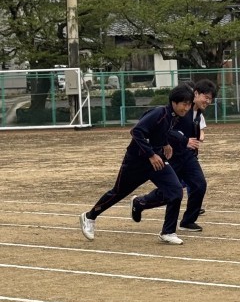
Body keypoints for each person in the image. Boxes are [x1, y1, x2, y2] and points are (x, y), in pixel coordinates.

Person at [79, 84, 194, 245]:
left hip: (157, 162)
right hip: (136, 161)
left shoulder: (173, 116)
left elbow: (159, 132)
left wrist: (165, 144)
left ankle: (168, 232)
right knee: (118, 193)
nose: (187, 108)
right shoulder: (159, 113)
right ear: (174, 102)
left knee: (175, 190)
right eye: (184, 104)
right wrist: (151, 154)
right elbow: (136, 131)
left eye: (189, 104)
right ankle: (89, 216)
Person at [168, 79, 217, 232]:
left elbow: (198, 132)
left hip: (188, 157)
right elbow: (167, 130)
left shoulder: (198, 114)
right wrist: (184, 140)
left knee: (199, 184)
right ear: (196, 93)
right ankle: (140, 203)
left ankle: (188, 221)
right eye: (206, 97)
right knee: (169, 191)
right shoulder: (182, 111)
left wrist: (195, 142)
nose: (208, 101)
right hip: (174, 156)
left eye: (210, 99)